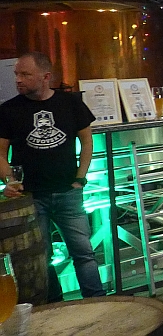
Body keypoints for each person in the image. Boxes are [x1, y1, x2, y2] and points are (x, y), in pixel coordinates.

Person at [0, 52, 105, 301]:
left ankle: (97, 301)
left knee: (83, 253)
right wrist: (9, 181)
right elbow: (0, 153)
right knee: (41, 257)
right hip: (31, 196)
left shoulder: (70, 103)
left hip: (68, 191)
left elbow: (87, 141)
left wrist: (80, 178)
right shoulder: (8, 110)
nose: (18, 79)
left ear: (45, 76)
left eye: (25, 74)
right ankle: (54, 306)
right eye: (16, 74)